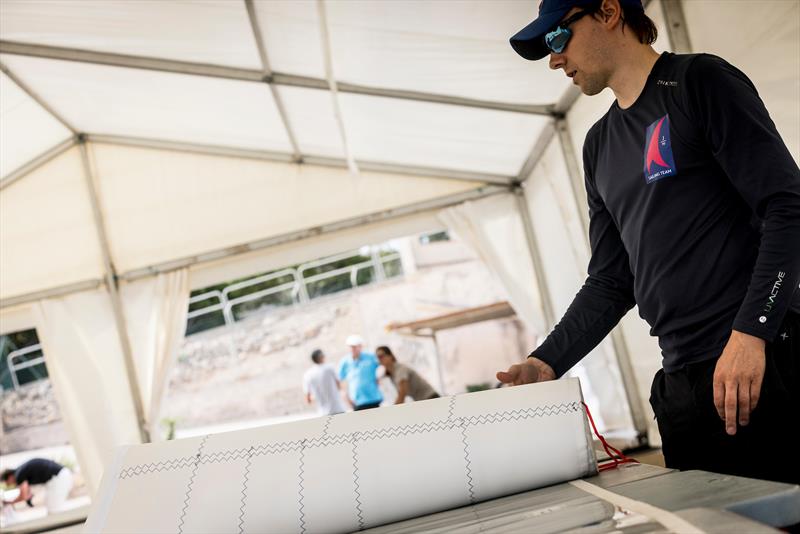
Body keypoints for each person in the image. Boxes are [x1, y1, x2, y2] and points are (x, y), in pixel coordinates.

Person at [500, 0, 800, 484]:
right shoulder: (598, 146)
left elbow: (787, 207)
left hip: (759, 361)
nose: (554, 59)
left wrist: (753, 332)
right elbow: (612, 281)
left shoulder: (698, 82)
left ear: (609, 11)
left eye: (557, 39)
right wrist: (546, 361)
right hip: (681, 386)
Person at [2, 458, 73, 513]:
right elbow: (27, 493)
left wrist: (9, 502)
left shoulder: (18, 475)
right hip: (60, 476)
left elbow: (23, 495)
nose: (11, 485)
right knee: (53, 507)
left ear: (10, 477)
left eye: (8, 483)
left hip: (59, 477)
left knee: (53, 509)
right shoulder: (22, 471)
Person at [338, 335, 383, 411]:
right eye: (351, 346)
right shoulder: (344, 362)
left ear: (361, 346)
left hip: (373, 398)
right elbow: (340, 382)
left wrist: (379, 376)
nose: (353, 349)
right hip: (357, 402)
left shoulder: (370, 357)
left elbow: (382, 366)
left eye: (355, 346)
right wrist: (346, 399)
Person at [302, 349, 347, 416]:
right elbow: (339, 385)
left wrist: (318, 395)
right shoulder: (330, 368)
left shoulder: (307, 374)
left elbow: (308, 399)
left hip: (322, 413)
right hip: (338, 408)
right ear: (322, 357)